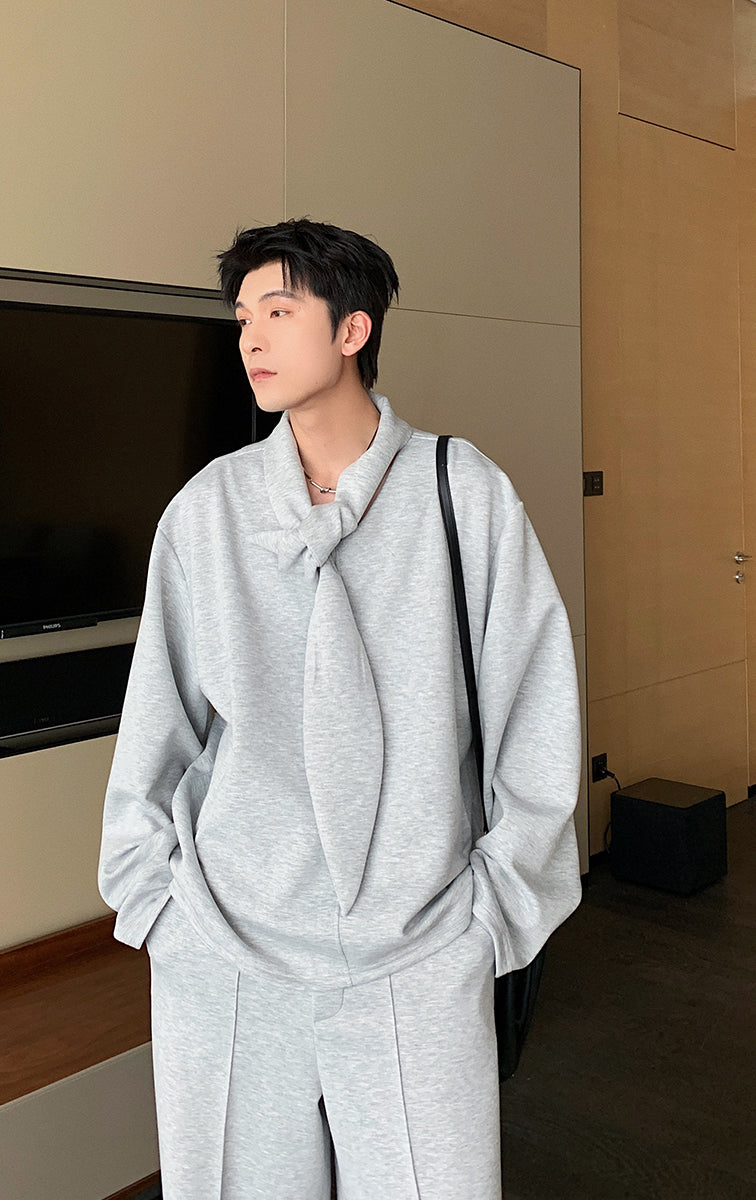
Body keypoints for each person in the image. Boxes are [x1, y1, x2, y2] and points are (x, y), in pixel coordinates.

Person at [98, 218, 582, 1199]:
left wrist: (490, 920)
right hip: (226, 948)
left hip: (421, 948)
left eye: (278, 312)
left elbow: (536, 711)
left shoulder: (464, 495)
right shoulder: (209, 511)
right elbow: (158, 724)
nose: (251, 339)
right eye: (243, 318)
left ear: (353, 328)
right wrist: (159, 908)